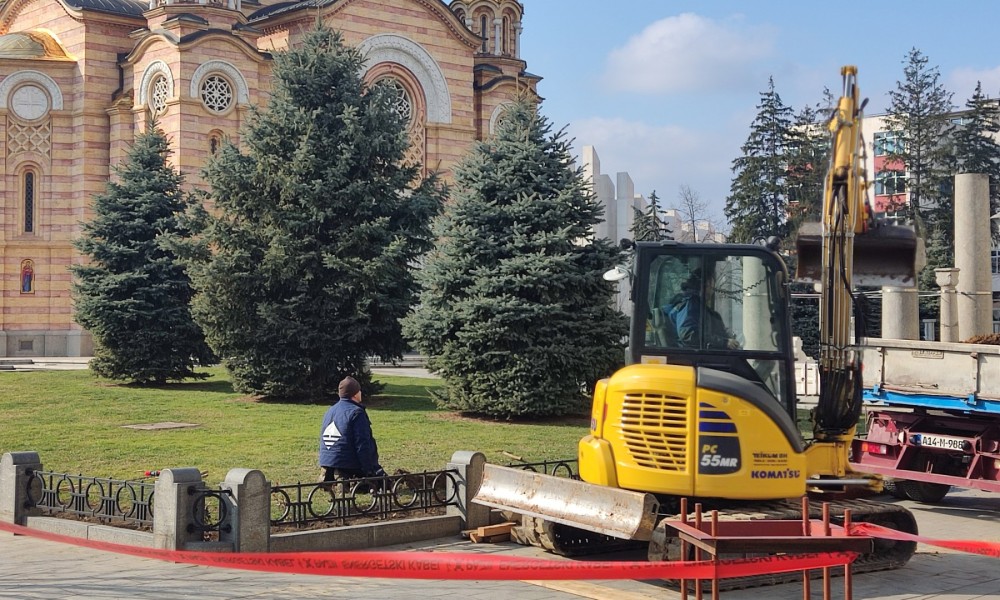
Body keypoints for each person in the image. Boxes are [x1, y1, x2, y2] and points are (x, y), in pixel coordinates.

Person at [319, 376, 386, 493]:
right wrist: (370, 469)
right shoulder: (356, 412)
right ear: (355, 394)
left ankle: (334, 478)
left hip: (327, 461)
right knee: (381, 477)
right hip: (348, 462)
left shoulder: (330, 411)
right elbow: (362, 444)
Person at [665, 269, 739, 350]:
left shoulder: (701, 308)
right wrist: (723, 342)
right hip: (692, 355)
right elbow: (688, 334)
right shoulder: (691, 305)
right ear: (706, 284)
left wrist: (726, 337)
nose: (713, 291)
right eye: (712, 286)